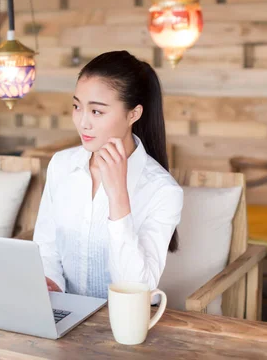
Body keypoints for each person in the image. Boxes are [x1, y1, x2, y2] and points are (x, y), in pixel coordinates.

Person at [33, 50, 183, 298]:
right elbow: (46, 247)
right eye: (76, 107)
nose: (83, 123)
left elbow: (138, 289)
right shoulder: (61, 165)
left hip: (123, 325)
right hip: (61, 312)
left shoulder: (163, 191)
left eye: (96, 111)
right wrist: (52, 284)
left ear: (133, 114)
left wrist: (118, 197)